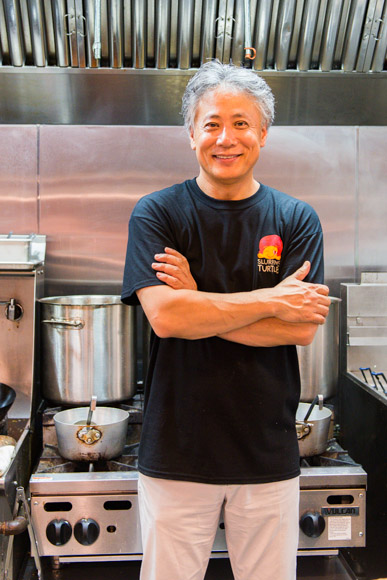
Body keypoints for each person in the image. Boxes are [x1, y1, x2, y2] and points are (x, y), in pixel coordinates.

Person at [121, 60, 330, 580]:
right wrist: (270, 300)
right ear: (191, 134)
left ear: (263, 133)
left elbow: (300, 328)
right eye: (212, 123)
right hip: (177, 452)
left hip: (267, 451)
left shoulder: (296, 219)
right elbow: (168, 318)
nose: (226, 137)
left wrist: (200, 299)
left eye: (241, 123)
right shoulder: (158, 214)